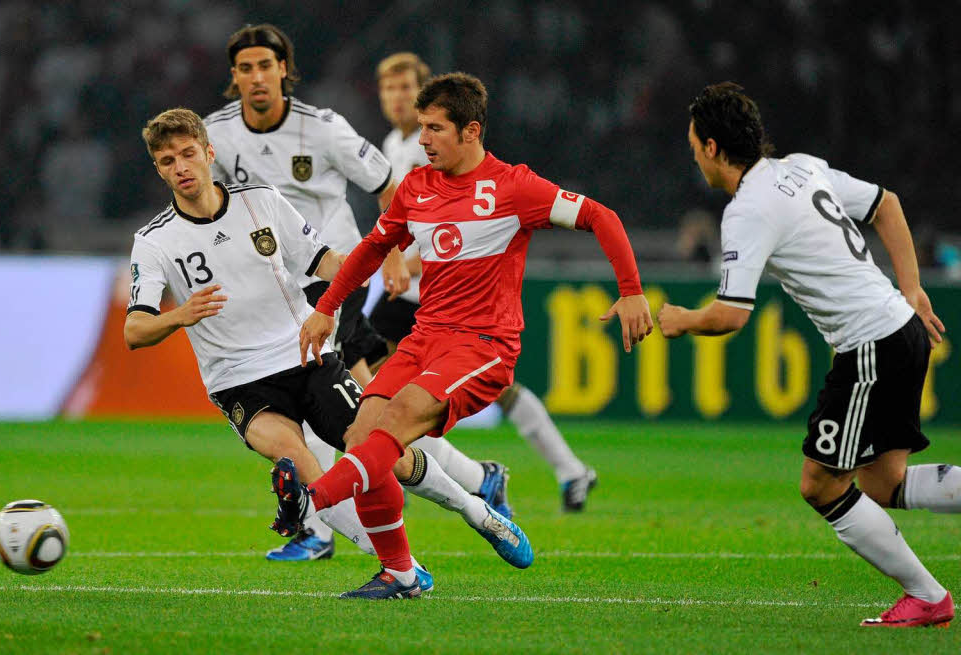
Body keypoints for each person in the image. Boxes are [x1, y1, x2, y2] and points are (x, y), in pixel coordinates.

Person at [124, 108, 524, 596]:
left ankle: (475, 510)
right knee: (298, 461)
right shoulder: (154, 241)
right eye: (168, 161)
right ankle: (403, 569)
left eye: (188, 154)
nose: (181, 167)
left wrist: (380, 254)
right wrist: (176, 316)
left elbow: (324, 261)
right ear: (159, 170)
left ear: (209, 153)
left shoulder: (263, 203)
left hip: (305, 356)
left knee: (382, 453)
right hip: (236, 380)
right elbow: (135, 330)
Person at [281, 73, 652, 599]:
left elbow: (599, 215)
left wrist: (632, 290)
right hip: (425, 336)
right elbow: (369, 249)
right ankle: (406, 569)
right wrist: (326, 308)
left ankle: (308, 502)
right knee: (361, 437)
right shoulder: (416, 186)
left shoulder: (514, 187)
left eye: (434, 129)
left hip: (483, 346)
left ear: (471, 130)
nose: (423, 138)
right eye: (422, 127)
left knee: (401, 418)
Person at [204, 24, 510, 564]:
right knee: (370, 410)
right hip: (277, 290)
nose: (256, 77)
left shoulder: (322, 130)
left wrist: (391, 251)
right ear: (234, 77)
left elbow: (388, 183)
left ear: (284, 71)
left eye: (266, 66)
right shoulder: (216, 136)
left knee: (325, 401)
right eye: (245, 68)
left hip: (332, 279)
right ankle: (476, 479)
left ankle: (322, 529)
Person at [657, 82, 956, 628]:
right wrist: (910, 287)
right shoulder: (802, 167)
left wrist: (680, 320)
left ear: (715, 148)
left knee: (820, 484)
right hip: (896, 328)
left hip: (871, 345)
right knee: (883, 484)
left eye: (695, 143)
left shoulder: (746, 209)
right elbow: (886, 204)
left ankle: (929, 596)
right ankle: (928, 597)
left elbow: (731, 314)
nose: (693, 153)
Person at [373, 52, 600, 512]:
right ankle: (545, 472)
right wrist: (395, 255)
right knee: (378, 386)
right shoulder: (393, 145)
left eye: (404, 88)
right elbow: (400, 216)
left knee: (388, 391)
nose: (395, 98)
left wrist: (411, 263)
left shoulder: (431, 143)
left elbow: (453, 221)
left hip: (449, 298)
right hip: (416, 300)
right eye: (387, 89)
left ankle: (468, 475)